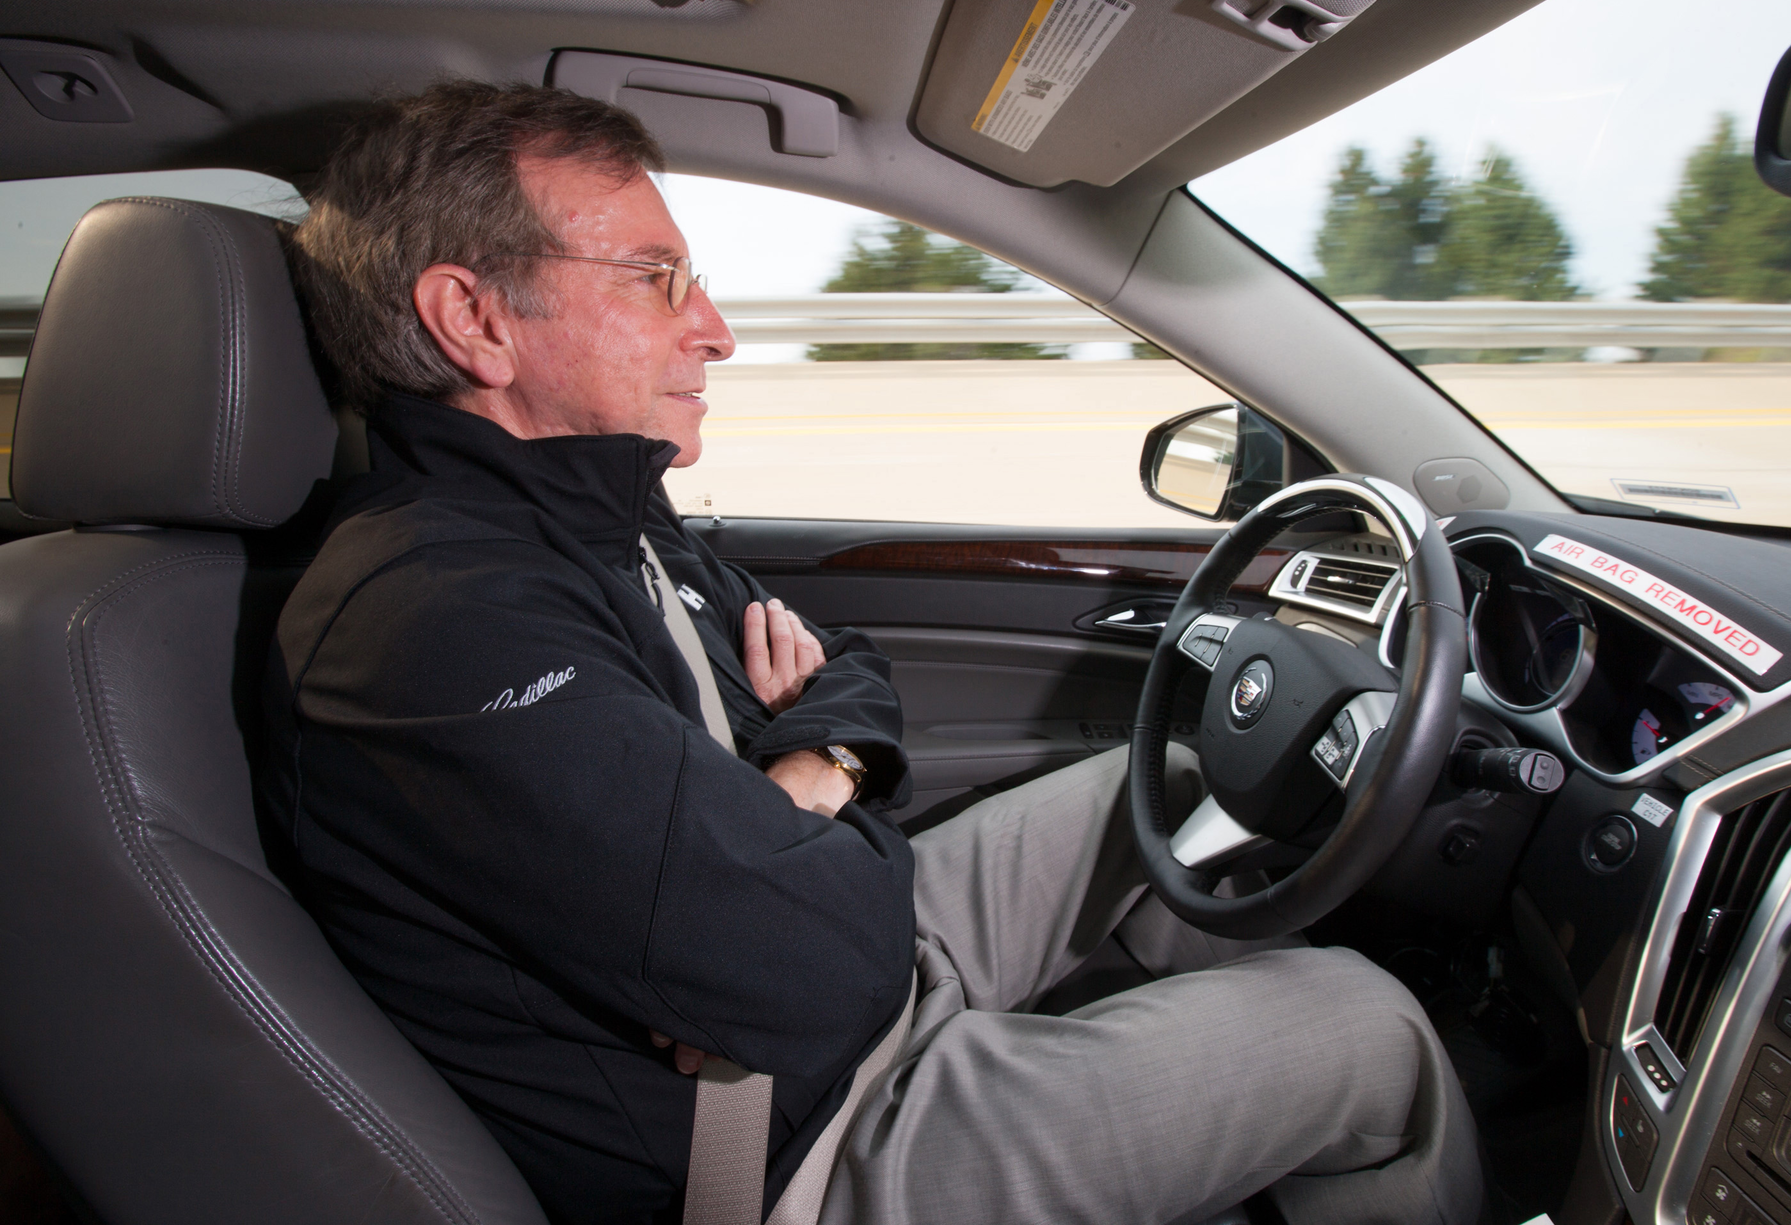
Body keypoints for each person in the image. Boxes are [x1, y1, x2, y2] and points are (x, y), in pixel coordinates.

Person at [264, 80, 1484, 1225]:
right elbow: (804, 971)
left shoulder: (596, 514)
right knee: (1368, 1032)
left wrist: (820, 769)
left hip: (842, 984)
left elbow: (844, 661)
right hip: (790, 1142)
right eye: (654, 278)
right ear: (473, 317)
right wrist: (798, 834)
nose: (716, 331)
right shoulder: (433, 622)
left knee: (1179, 780)